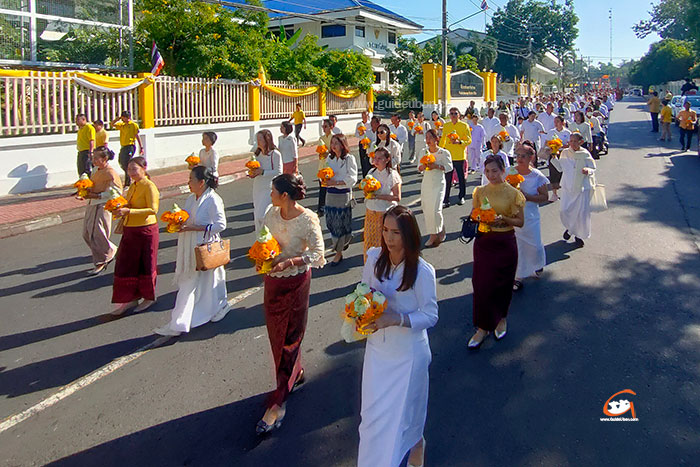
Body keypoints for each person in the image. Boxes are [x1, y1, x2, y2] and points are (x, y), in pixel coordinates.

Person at [358, 205, 438, 467]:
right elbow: (365, 293)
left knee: (406, 416)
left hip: (408, 356)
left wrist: (398, 319)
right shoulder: (373, 258)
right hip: (378, 352)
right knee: (372, 418)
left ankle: (416, 447)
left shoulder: (422, 271)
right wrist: (359, 313)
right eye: (385, 231)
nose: (389, 238)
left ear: (409, 235)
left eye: (396, 232)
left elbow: (430, 315)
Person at [256, 173, 326, 434]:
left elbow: (318, 253)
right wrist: (261, 255)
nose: (271, 195)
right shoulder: (271, 213)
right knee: (276, 337)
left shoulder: (307, 219)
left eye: (274, 191)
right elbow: (265, 240)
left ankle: (279, 402)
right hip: (273, 282)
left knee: (291, 337)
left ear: (285, 195)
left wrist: (292, 262)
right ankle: (293, 373)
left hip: (295, 282)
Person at [154, 166, 229, 336]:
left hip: (205, 247)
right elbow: (186, 217)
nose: (188, 183)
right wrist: (178, 222)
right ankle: (190, 317)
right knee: (196, 282)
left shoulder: (213, 199)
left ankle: (180, 322)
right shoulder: (191, 198)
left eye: (191, 180)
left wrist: (194, 228)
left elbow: (221, 225)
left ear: (201, 182)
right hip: (190, 247)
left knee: (206, 280)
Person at [467, 154, 525, 349]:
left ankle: (501, 319)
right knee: (481, 284)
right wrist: (479, 217)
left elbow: (520, 222)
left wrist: (504, 219)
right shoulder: (480, 191)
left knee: (503, 284)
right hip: (484, 242)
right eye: (487, 171)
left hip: (505, 241)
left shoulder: (513, 193)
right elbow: (473, 215)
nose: (491, 175)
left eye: (495, 171)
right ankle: (482, 328)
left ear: (503, 171)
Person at [111, 157, 160, 315]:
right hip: (130, 229)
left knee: (146, 265)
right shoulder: (133, 186)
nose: (131, 172)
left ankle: (149, 297)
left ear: (144, 168)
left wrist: (129, 211)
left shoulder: (149, 186)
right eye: (129, 169)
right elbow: (128, 204)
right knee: (127, 265)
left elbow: (153, 210)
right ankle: (130, 296)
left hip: (145, 230)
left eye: (134, 169)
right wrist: (119, 208)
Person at [80, 147, 122, 275]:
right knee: (87, 233)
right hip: (92, 204)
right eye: (92, 157)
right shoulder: (95, 170)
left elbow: (116, 192)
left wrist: (98, 196)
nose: (93, 160)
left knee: (98, 233)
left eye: (96, 158)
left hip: (103, 205)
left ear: (104, 158)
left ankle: (102, 260)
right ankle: (110, 250)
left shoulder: (111, 173)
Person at [512, 144, 549, 291]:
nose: (520, 159)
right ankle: (518, 276)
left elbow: (544, 197)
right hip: (514, 215)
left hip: (531, 216)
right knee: (517, 247)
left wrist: (528, 197)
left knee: (535, 245)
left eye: (523, 156)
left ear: (530, 158)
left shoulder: (537, 176)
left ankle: (538, 263)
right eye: (518, 156)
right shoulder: (511, 172)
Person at [550, 133, 596, 247]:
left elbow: (593, 168)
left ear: (580, 142)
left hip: (581, 188)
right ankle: (570, 228)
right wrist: (554, 157)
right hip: (567, 187)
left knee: (580, 213)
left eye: (575, 141)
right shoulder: (565, 153)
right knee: (565, 210)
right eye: (571, 141)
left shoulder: (585, 154)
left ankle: (578, 235)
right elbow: (560, 168)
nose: (572, 143)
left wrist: (587, 170)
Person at [325, 134, 358, 266]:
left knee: (340, 224)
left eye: (336, 143)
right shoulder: (329, 158)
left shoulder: (349, 159)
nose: (333, 146)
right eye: (332, 143)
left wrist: (337, 182)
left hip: (343, 194)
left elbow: (353, 178)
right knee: (331, 222)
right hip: (330, 194)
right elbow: (326, 172)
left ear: (342, 145)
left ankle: (338, 253)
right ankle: (343, 240)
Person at [363, 147, 402, 259]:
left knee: (384, 244)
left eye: (380, 158)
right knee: (369, 244)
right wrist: (367, 192)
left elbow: (397, 197)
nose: (376, 160)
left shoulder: (392, 175)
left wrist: (378, 196)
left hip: (385, 214)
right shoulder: (371, 172)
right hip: (371, 212)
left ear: (387, 159)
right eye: (375, 158)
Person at [419, 129, 452, 248]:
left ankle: (434, 235)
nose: (428, 140)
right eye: (426, 137)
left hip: (439, 183)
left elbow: (449, 167)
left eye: (430, 137)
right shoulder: (423, 151)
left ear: (436, 138)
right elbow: (419, 167)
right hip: (427, 183)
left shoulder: (443, 153)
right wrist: (424, 166)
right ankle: (438, 230)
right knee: (428, 209)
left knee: (436, 209)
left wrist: (436, 166)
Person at [250, 130, 283, 232]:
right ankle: (259, 241)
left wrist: (263, 172)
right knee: (257, 215)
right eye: (257, 139)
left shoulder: (275, 154)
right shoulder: (257, 154)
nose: (258, 141)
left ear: (267, 139)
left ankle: (267, 238)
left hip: (268, 188)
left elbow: (279, 171)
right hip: (258, 187)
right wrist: (253, 172)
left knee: (263, 215)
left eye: (260, 139)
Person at [439, 107, 471, 207]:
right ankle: (446, 199)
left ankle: (461, 196)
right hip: (448, 156)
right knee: (447, 179)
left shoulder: (464, 125)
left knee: (461, 178)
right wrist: (438, 150)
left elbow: (469, 140)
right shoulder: (447, 125)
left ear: (459, 115)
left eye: (455, 113)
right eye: (451, 113)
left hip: (459, 155)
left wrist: (460, 142)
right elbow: (443, 139)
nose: (453, 115)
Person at [111, 111, 143, 186]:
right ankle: (130, 175)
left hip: (130, 146)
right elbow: (112, 124)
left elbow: (137, 136)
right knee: (121, 162)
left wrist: (141, 147)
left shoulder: (133, 125)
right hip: (123, 146)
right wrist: (118, 118)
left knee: (127, 163)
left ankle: (128, 183)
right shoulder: (122, 125)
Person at [544, 116, 572, 201]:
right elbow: (546, 143)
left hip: (564, 154)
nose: (556, 123)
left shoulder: (567, 132)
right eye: (555, 121)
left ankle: (565, 192)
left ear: (562, 122)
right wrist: (552, 146)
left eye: (558, 121)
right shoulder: (551, 132)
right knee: (553, 173)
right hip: (553, 155)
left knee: (564, 173)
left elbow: (570, 144)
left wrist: (560, 145)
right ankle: (554, 193)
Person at [316, 119, 334, 216]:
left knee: (330, 188)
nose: (323, 128)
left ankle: (329, 207)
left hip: (331, 166)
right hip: (322, 165)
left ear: (331, 127)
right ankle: (321, 208)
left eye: (325, 126)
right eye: (323, 126)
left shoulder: (334, 138)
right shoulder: (321, 138)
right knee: (322, 188)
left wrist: (328, 153)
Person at [355, 111, 372, 177]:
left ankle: (369, 174)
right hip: (361, 142)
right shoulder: (359, 124)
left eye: (365, 116)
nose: (364, 117)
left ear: (368, 116)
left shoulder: (370, 124)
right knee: (362, 159)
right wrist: (360, 133)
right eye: (363, 116)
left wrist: (365, 132)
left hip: (368, 143)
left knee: (368, 159)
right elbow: (356, 134)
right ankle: (364, 175)